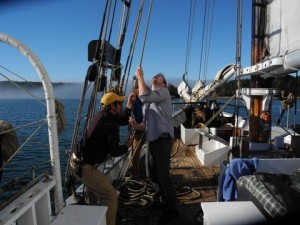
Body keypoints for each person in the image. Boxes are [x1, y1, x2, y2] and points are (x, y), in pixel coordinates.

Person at [72, 91, 135, 225]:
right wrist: (127, 145)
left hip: (79, 162)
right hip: (84, 167)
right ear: (113, 106)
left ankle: (94, 220)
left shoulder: (102, 115)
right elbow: (114, 151)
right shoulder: (109, 124)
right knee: (111, 196)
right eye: (120, 104)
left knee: (92, 196)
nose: (121, 106)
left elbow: (122, 119)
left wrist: (129, 104)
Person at [129, 66, 179, 223]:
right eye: (155, 76)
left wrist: (140, 76)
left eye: (159, 78)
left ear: (163, 84)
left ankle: (173, 210)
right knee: (153, 173)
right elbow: (146, 124)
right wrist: (136, 126)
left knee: (164, 176)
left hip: (163, 140)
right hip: (153, 140)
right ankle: (162, 201)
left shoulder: (163, 92)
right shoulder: (150, 100)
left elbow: (143, 96)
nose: (156, 77)